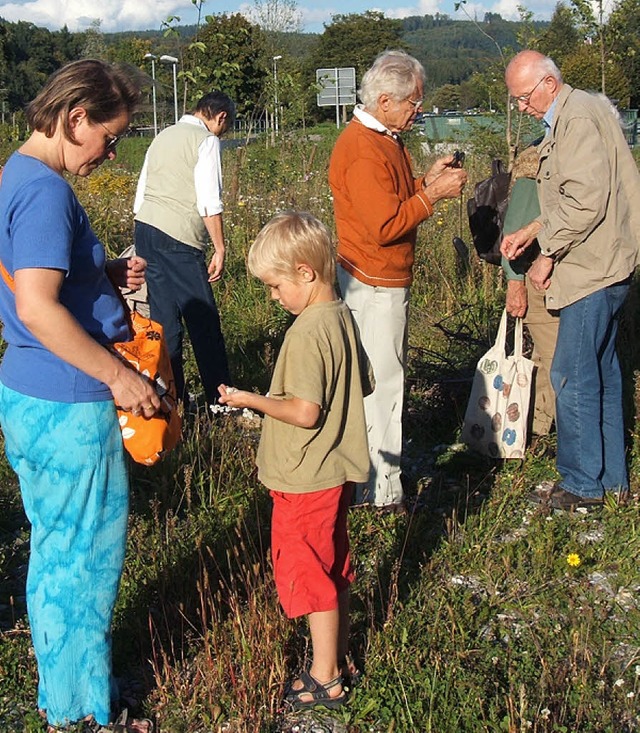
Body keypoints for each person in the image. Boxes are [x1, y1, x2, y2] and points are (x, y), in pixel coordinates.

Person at [0, 60, 158, 732]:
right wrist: (119, 376)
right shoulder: (44, 193)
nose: (111, 152)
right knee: (87, 559)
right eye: (110, 137)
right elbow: (37, 307)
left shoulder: (15, 174)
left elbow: (31, 281)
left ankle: (63, 686)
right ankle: (86, 711)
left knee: (56, 549)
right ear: (74, 119)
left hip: (29, 393)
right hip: (68, 402)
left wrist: (101, 270)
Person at [218, 211, 372, 709]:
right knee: (332, 567)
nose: (273, 296)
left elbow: (305, 413)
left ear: (305, 273)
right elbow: (364, 382)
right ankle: (339, 657)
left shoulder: (307, 332)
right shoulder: (341, 315)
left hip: (306, 479)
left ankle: (325, 676)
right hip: (335, 472)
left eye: (275, 285)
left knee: (307, 574)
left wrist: (253, 399)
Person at [501, 50, 640, 510]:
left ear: (548, 84)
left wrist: (548, 254)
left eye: (523, 98)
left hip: (589, 268)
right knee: (601, 370)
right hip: (608, 262)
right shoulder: (587, 110)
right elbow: (577, 193)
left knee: (571, 373)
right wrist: (532, 229)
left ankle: (582, 485)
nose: (522, 107)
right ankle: (612, 481)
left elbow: (584, 203)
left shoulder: (576, 119)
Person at [328, 50, 467, 510]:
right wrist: (433, 195)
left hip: (375, 277)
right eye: (413, 103)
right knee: (383, 384)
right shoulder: (364, 149)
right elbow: (384, 226)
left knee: (377, 380)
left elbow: (391, 201)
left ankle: (368, 479)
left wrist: (425, 181)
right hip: (373, 281)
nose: (418, 110)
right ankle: (380, 490)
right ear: (385, 100)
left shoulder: (383, 139)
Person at [133, 91, 235, 410]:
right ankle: (220, 402)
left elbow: (141, 191)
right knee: (203, 320)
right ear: (220, 117)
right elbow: (209, 199)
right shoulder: (205, 140)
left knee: (165, 321)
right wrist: (219, 247)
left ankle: (172, 399)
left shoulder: (163, 136)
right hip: (178, 238)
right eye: (226, 124)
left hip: (145, 229)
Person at [502, 142, 559, 439]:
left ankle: (534, 431)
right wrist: (515, 282)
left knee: (544, 359)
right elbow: (515, 228)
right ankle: (540, 431)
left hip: (552, 280)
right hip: (534, 277)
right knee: (555, 359)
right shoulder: (536, 160)